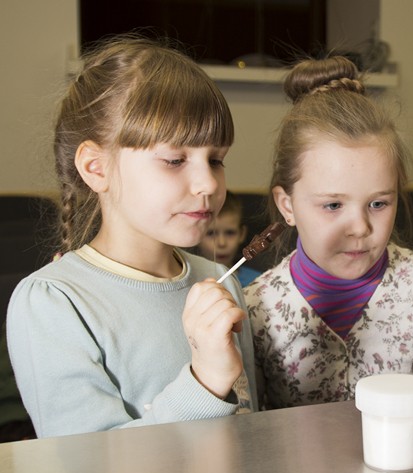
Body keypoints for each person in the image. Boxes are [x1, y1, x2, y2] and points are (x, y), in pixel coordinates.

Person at [6, 36, 257, 438]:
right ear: (96, 167)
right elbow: (88, 468)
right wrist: (205, 381)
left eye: (216, 159)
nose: (208, 181)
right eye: (175, 160)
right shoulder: (54, 304)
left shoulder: (218, 278)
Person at [243, 56, 413, 410]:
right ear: (287, 205)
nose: (359, 228)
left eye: (378, 204)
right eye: (333, 206)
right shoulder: (255, 309)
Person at [197, 190, 261, 286]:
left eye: (230, 233)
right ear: (197, 234)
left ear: (241, 234)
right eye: (211, 233)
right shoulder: (190, 282)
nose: (222, 243)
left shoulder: (257, 282)